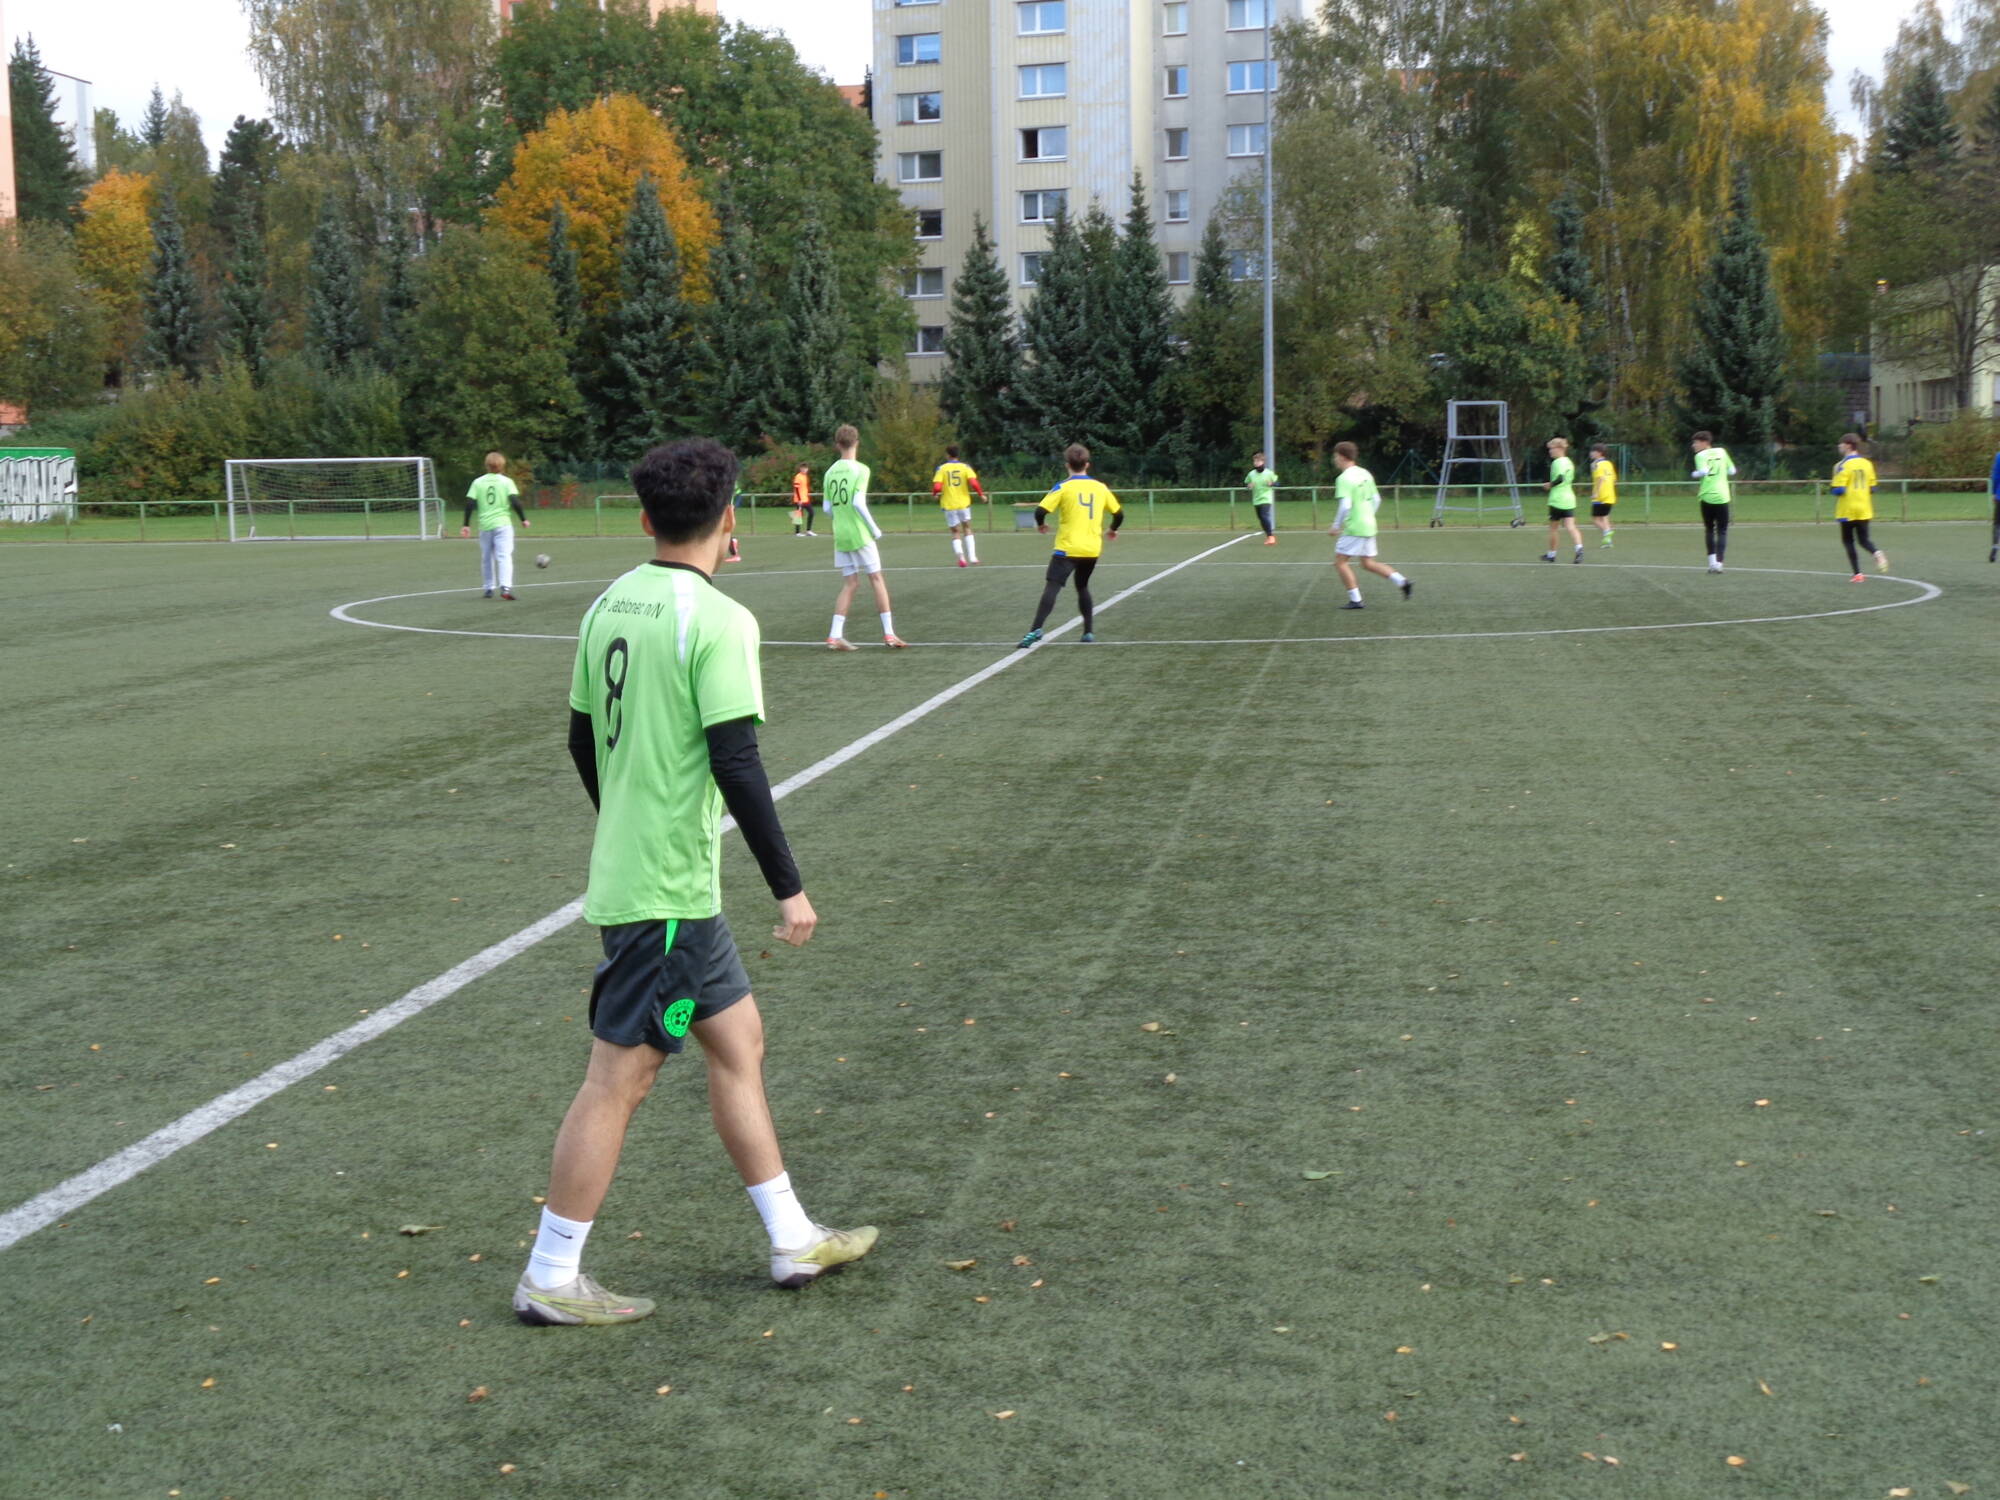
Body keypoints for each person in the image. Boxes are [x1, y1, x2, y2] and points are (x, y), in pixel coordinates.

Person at [515, 437, 878, 1327]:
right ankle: (550, 1275)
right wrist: (789, 886)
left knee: (739, 1041)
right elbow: (736, 760)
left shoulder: (609, 602)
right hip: (668, 893)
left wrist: (626, 819)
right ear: (730, 518)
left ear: (644, 518)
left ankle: (791, 1237)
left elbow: (579, 739)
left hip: (661, 883)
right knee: (620, 1077)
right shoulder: (718, 618)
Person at [1017, 443, 1123, 647]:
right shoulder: (1100, 487)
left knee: (1052, 586)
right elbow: (1119, 514)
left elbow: (1040, 510)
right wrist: (1112, 529)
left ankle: (1035, 630)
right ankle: (1088, 632)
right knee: (1082, 586)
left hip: (1067, 548)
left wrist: (1041, 524)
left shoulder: (1063, 487)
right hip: (1091, 549)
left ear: (1067, 465)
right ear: (1087, 464)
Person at [822, 424, 907, 650]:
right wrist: (874, 528)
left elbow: (827, 508)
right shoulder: (861, 469)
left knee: (850, 583)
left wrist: (842, 518)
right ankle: (889, 634)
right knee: (876, 578)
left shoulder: (829, 472)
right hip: (860, 533)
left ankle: (834, 635)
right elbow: (858, 502)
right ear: (857, 442)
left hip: (841, 535)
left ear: (837, 445)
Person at [1329, 441, 1412, 608]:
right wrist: (1368, 516)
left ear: (1343, 457)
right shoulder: (1365, 473)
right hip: (1369, 525)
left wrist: (1336, 525)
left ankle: (1356, 600)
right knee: (1367, 563)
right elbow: (1377, 499)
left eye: (1336, 456)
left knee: (1340, 562)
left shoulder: (1343, 478)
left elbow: (1345, 505)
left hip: (1355, 527)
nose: (1334, 459)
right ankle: (1402, 582)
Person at [461, 451, 530, 600]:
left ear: (486, 466)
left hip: (485, 526)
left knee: (486, 557)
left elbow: (470, 503)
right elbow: (515, 501)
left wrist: (466, 524)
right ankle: (505, 587)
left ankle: (488, 588)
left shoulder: (478, 482)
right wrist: (523, 519)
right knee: (504, 556)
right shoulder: (506, 482)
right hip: (503, 525)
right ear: (502, 466)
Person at [1829, 433, 1887, 581]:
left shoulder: (1841, 465)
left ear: (1848, 446)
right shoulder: (1867, 464)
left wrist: (1833, 489)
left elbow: (1839, 490)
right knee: (1864, 540)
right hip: (1864, 508)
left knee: (1848, 541)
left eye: (1841, 444)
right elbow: (1873, 488)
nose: (1839, 446)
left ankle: (1858, 574)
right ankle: (1877, 553)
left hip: (1848, 508)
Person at [931, 444, 986, 566]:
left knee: (955, 531)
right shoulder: (965, 467)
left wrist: (935, 494)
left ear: (947, 455)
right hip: (963, 503)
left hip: (949, 504)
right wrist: (981, 494)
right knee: (967, 528)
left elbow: (937, 486)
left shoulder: (942, 468)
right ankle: (973, 557)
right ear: (958, 454)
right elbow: (974, 483)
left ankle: (961, 557)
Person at [1691, 430, 1736, 573]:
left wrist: (1694, 474)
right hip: (1723, 497)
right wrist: (1721, 472)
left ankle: (1712, 564)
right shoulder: (1722, 452)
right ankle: (1719, 564)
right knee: (1722, 531)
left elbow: (1704, 471)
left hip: (1707, 496)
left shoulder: (1700, 456)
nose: (1694, 445)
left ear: (1705, 442)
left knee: (1709, 529)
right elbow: (1732, 471)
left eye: (1696, 442)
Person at [1540, 437, 1584, 563]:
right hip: (1569, 499)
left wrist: (1550, 485)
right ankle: (1579, 549)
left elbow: (1560, 478)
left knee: (1553, 528)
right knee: (1571, 526)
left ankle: (1551, 555)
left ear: (1559, 448)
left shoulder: (1558, 462)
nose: (1550, 451)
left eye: (1552, 449)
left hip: (1557, 499)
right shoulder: (1569, 462)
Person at [1245, 451, 1280, 545]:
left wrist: (1272, 484)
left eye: (1258, 461)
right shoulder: (1251, 474)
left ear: (1263, 462)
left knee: (1264, 516)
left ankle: (1271, 537)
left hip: (1266, 498)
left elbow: (1278, 483)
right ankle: (1269, 536)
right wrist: (1249, 486)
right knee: (1261, 518)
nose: (1256, 463)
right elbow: (1246, 484)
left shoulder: (1269, 473)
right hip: (1256, 499)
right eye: (1254, 461)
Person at [1588, 443, 1618, 546]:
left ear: (1599, 453)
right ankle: (1608, 542)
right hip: (1610, 495)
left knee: (1595, 520)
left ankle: (1607, 532)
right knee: (1605, 517)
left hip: (1600, 496)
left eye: (1593, 451)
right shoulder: (1609, 464)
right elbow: (1614, 480)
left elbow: (1600, 478)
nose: (1591, 453)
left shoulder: (1597, 464)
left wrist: (1596, 493)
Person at [790, 464, 816, 538]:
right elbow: (796, 488)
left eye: (806, 468)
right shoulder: (798, 476)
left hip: (805, 499)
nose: (805, 470)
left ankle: (808, 530)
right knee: (798, 515)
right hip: (799, 500)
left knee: (812, 512)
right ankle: (797, 532)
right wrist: (799, 499)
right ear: (800, 469)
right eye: (803, 468)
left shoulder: (805, 476)